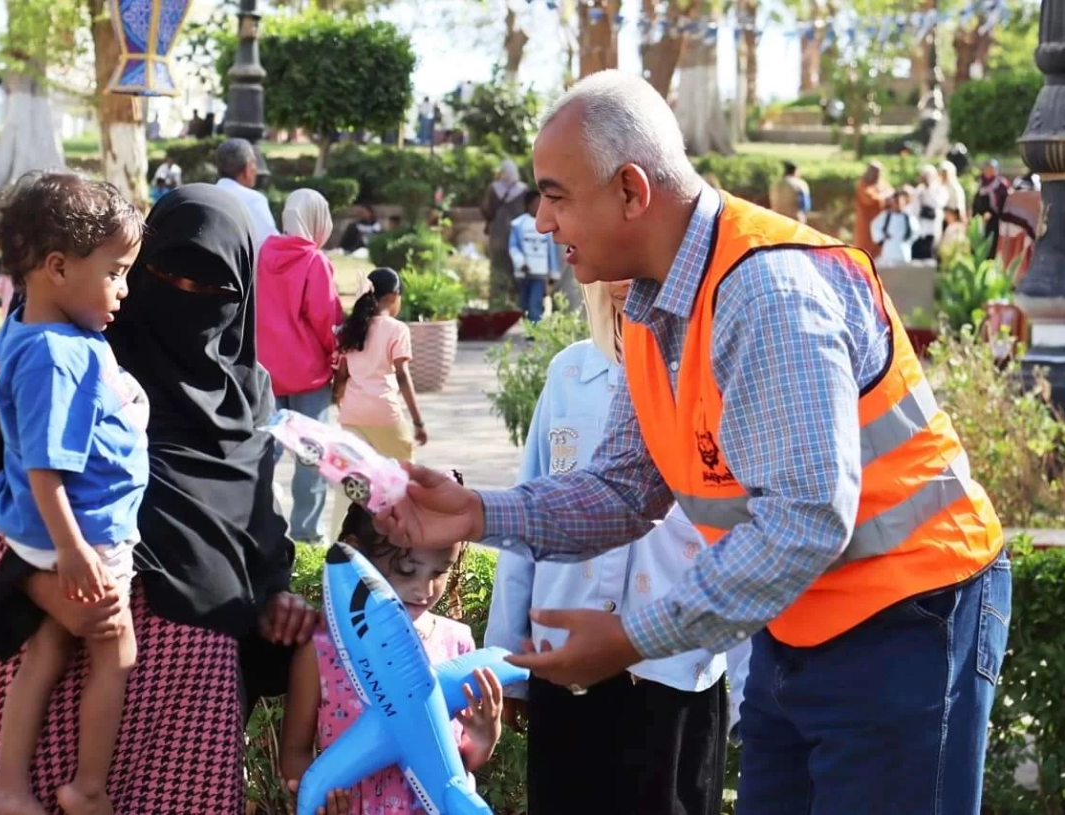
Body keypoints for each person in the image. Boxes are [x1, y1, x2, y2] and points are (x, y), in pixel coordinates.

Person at [373, 70, 1008, 814]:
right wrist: (478, 512)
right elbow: (622, 488)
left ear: (632, 191)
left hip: (908, 619)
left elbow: (805, 521)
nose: (541, 221)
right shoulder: (652, 307)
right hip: (799, 626)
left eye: (555, 194)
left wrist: (632, 638)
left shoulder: (768, 293)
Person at [0, 184, 319, 814]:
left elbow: (256, 517)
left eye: (215, 292)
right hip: (59, 676)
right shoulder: (78, 356)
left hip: (190, 695)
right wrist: (41, 588)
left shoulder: (248, 391)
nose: (190, 302)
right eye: (169, 276)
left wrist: (276, 589)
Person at [485, 279, 732, 815]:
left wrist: (757, 694)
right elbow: (532, 512)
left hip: (671, 671)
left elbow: (748, 541)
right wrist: (509, 661)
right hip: (565, 666)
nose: (624, 282)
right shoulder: (571, 374)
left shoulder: (716, 376)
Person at [0, 172, 147, 815]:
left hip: (59, 531)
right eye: (116, 271)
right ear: (56, 267)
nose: (125, 291)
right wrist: (75, 552)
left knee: (50, 642)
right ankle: (87, 787)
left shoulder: (32, 326)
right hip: (86, 533)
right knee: (116, 647)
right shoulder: (59, 354)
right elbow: (48, 467)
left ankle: (8, 787)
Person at [281, 486, 504, 815]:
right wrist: (318, 800)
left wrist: (484, 739)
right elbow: (294, 751)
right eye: (407, 570)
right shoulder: (321, 651)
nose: (424, 589)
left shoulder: (456, 643)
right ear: (356, 555)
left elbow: (456, 762)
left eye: (440, 572)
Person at [257, 189, 345, 543]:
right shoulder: (314, 262)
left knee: (265, 453)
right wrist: (338, 356)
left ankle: (259, 523)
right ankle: (306, 533)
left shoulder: (263, 253)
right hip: (309, 375)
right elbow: (327, 321)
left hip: (267, 372)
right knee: (311, 456)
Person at [329, 268, 426, 542]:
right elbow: (402, 377)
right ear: (394, 296)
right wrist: (418, 423)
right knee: (404, 477)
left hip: (352, 415)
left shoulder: (352, 328)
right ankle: (405, 535)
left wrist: (339, 403)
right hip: (385, 414)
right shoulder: (397, 329)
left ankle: (339, 538)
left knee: (350, 480)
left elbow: (342, 375)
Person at [507, 189, 560, 324]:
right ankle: (528, 330)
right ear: (527, 205)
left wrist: (553, 273)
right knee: (524, 304)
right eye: (535, 204)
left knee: (535, 304)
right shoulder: (519, 224)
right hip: (524, 273)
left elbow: (551, 250)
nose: (537, 207)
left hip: (540, 273)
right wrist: (521, 263)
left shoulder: (546, 225)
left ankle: (534, 335)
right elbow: (513, 247)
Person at [481, 159, 528, 307]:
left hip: (498, 236)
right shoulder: (524, 190)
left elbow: (486, 211)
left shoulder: (493, 189)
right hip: (518, 236)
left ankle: (497, 304)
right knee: (517, 270)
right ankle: (516, 306)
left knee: (497, 270)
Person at [215, 138, 277, 244]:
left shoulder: (205, 195)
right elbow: (270, 244)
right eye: (254, 163)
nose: (256, 169)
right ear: (248, 168)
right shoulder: (254, 200)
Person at [870, 187, 920, 265]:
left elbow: (916, 231)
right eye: (895, 201)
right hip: (889, 250)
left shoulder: (908, 217)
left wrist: (907, 239)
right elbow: (874, 226)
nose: (897, 204)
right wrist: (882, 237)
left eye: (899, 202)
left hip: (903, 251)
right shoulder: (886, 216)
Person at [853, 160, 892, 259]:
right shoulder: (863, 184)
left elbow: (892, 193)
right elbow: (870, 199)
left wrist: (886, 197)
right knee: (865, 253)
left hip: (881, 224)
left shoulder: (882, 183)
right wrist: (884, 198)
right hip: (867, 224)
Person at [972, 159, 1011, 259]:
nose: (988, 171)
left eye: (991, 168)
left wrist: (992, 213)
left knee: (992, 243)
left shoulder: (1001, 184)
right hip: (980, 219)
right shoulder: (981, 182)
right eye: (986, 168)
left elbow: (1005, 201)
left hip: (995, 220)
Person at [911, 165, 948, 260]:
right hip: (920, 226)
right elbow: (915, 207)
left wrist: (928, 189)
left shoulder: (939, 189)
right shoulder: (919, 189)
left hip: (932, 226)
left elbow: (938, 203)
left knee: (930, 252)